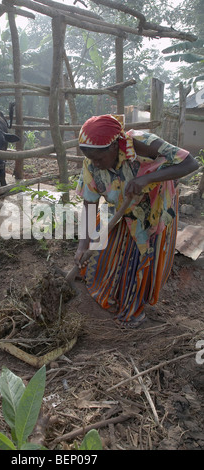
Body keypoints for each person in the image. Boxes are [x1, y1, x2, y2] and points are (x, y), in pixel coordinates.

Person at [75, 114, 199, 328]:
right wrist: (82, 245)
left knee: (137, 261)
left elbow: (190, 163)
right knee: (106, 255)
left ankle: (132, 311)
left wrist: (146, 178)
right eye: (90, 159)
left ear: (114, 146)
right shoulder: (92, 164)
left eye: (98, 159)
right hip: (121, 211)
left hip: (152, 209)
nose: (95, 164)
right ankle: (107, 295)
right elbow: (89, 205)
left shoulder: (143, 143)